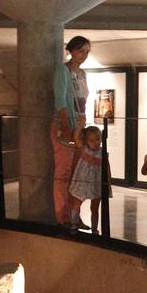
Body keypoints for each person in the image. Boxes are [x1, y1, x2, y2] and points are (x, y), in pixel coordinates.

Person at [52, 35, 91, 221]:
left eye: (87, 52)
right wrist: (66, 125)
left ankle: (74, 214)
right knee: (64, 172)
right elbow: (60, 100)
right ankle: (63, 216)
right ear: (71, 50)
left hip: (80, 126)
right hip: (65, 124)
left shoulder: (83, 74)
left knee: (77, 173)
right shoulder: (63, 71)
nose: (84, 55)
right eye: (81, 51)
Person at [67, 125, 106, 234]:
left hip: (96, 182)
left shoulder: (102, 152)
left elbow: (106, 166)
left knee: (95, 207)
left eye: (98, 139)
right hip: (82, 181)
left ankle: (94, 228)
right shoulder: (84, 149)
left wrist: (107, 180)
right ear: (86, 141)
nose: (96, 142)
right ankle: (73, 224)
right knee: (77, 203)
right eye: (92, 140)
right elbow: (76, 137)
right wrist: (80, 125)